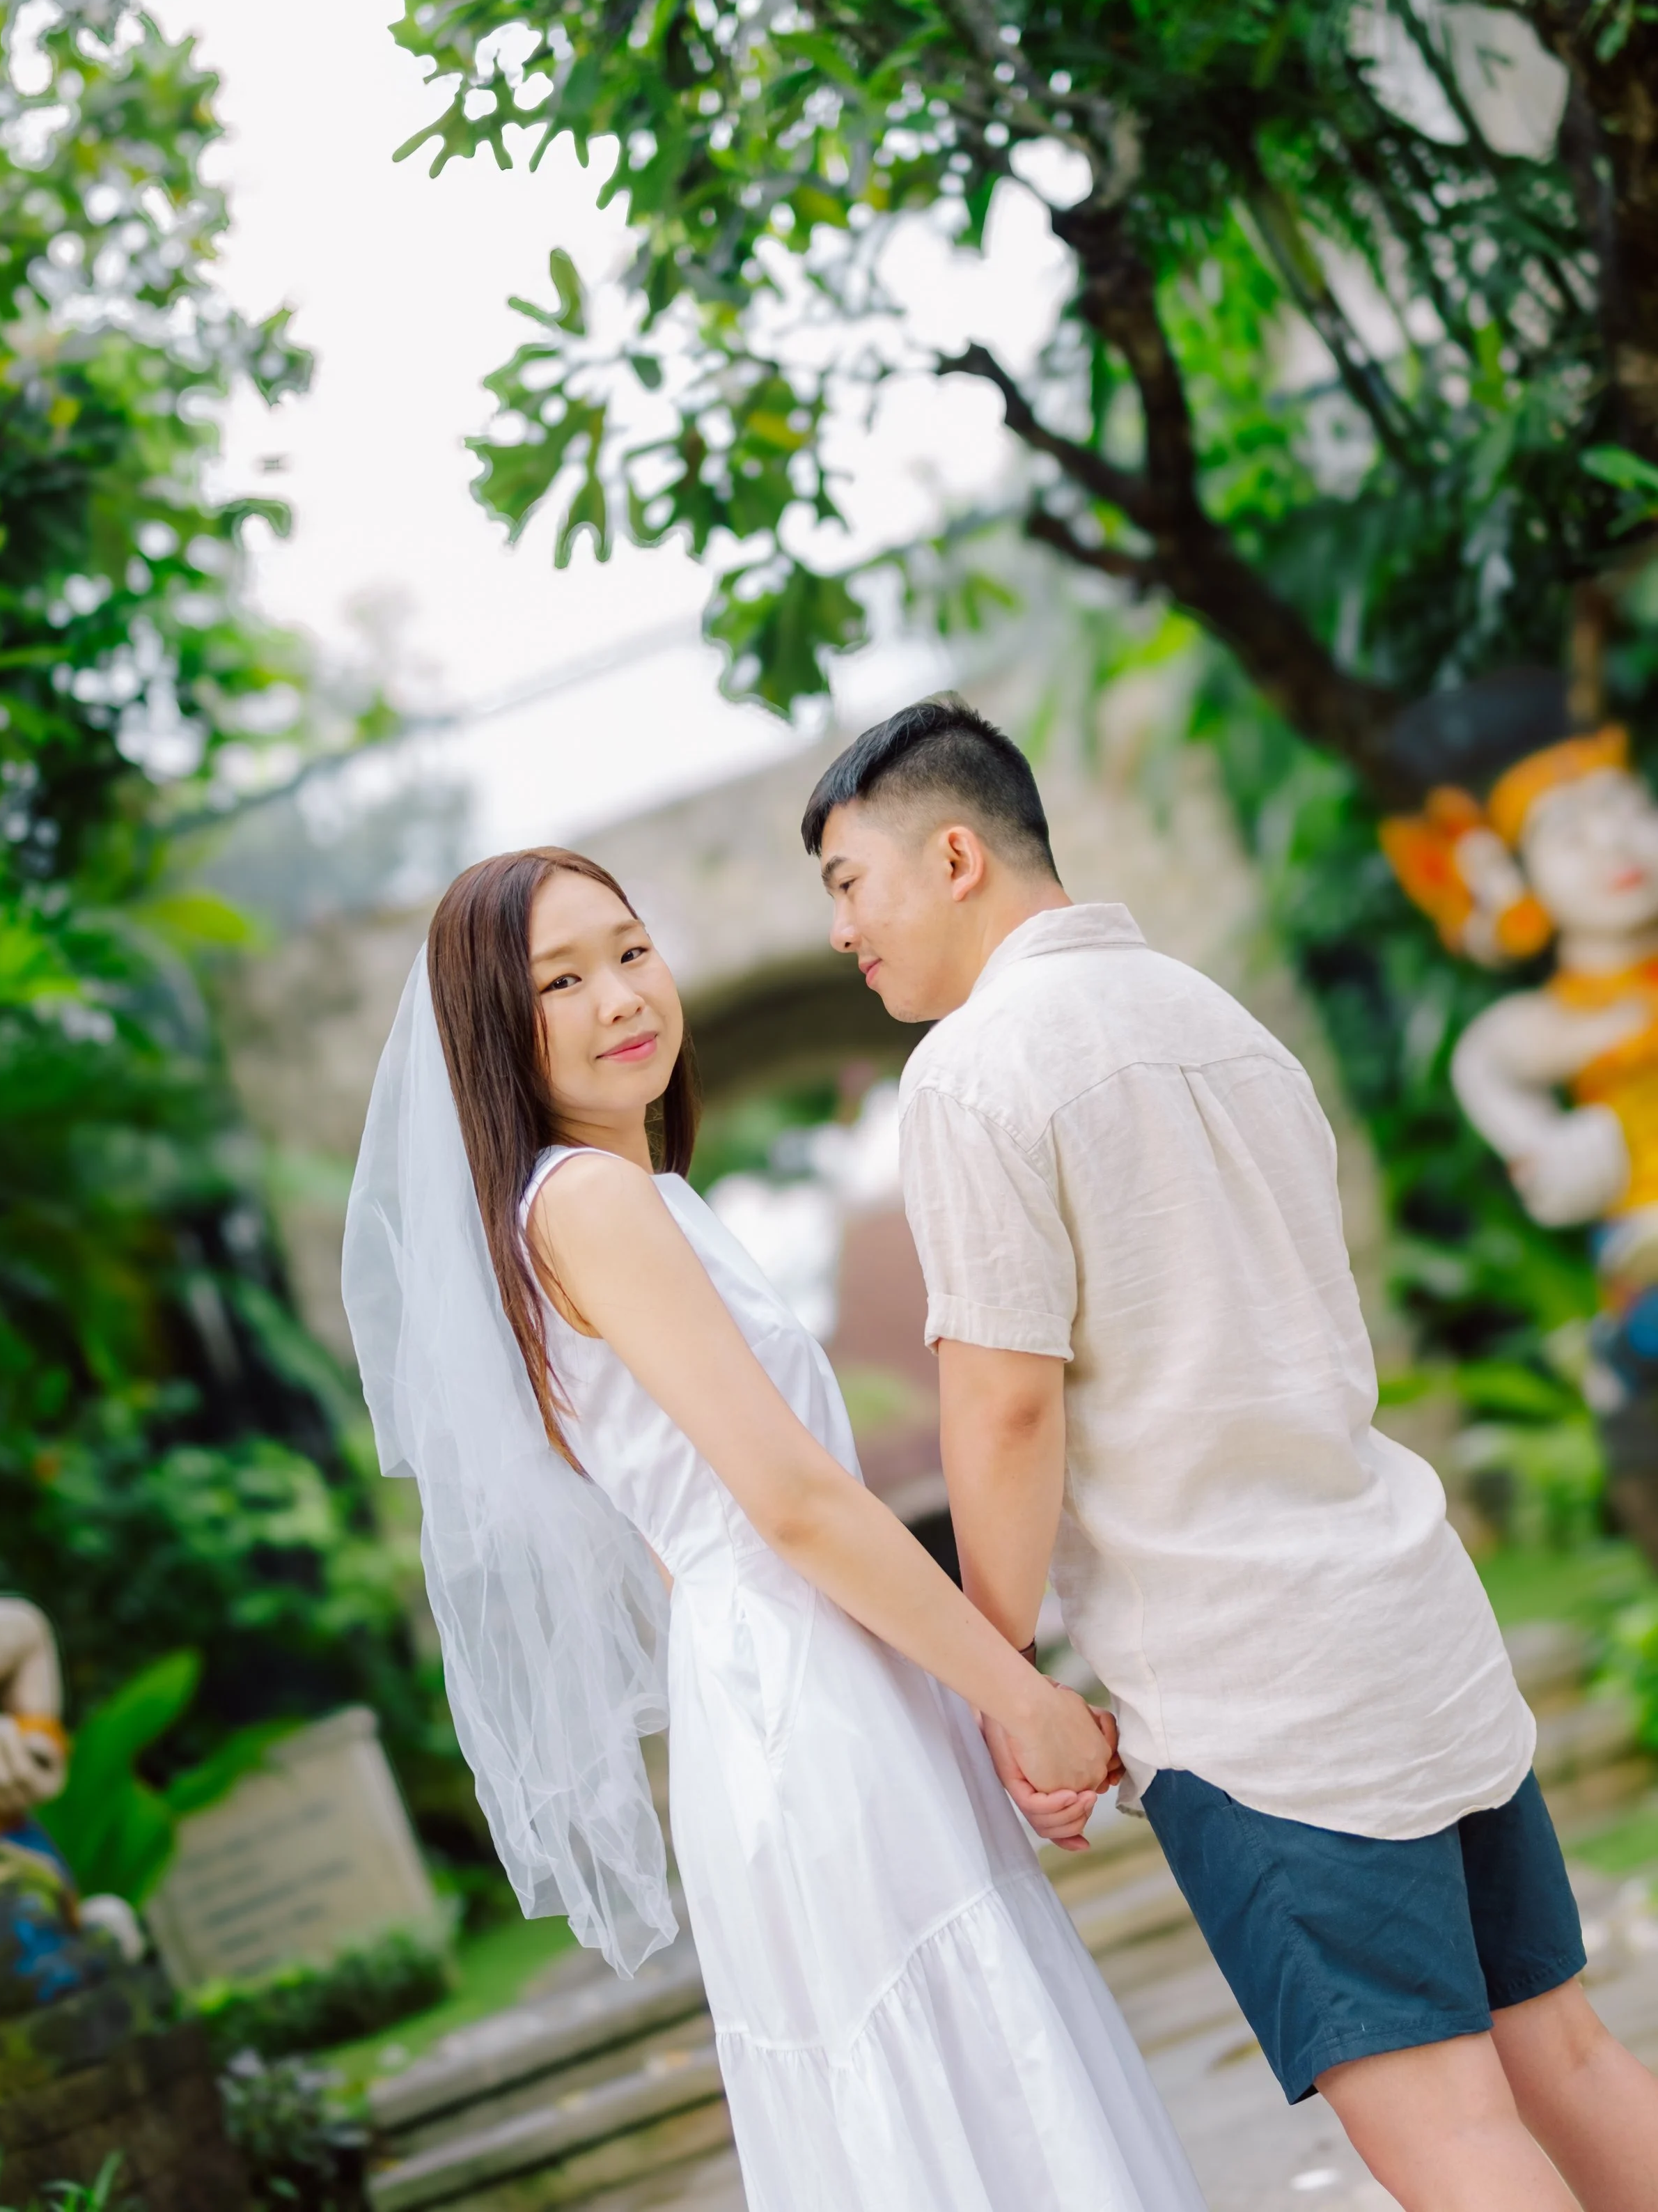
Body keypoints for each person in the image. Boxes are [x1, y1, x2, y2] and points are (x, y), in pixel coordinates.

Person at [801, 694, 1658, 2212]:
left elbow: (1002, 1405)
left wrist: (1004, 1680)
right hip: (1405, 1612)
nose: (841, 932)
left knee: (1445, 2126)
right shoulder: (1216, 1016)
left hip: (1254, 1687)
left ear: (950, 857)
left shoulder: (973, 1067)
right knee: (1563, 2059)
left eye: (846, 883)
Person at [341, 846, 1205, 2212]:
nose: (620, 995)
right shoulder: (589, 1202)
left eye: (629, 950)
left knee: (954, 2108)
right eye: (558, 980)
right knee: (966, 2096)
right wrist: (1020, 1698)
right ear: (494, 1031)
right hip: (803, 1693)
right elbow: (793, 1500)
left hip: (783, 1682)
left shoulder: (614, 1202)